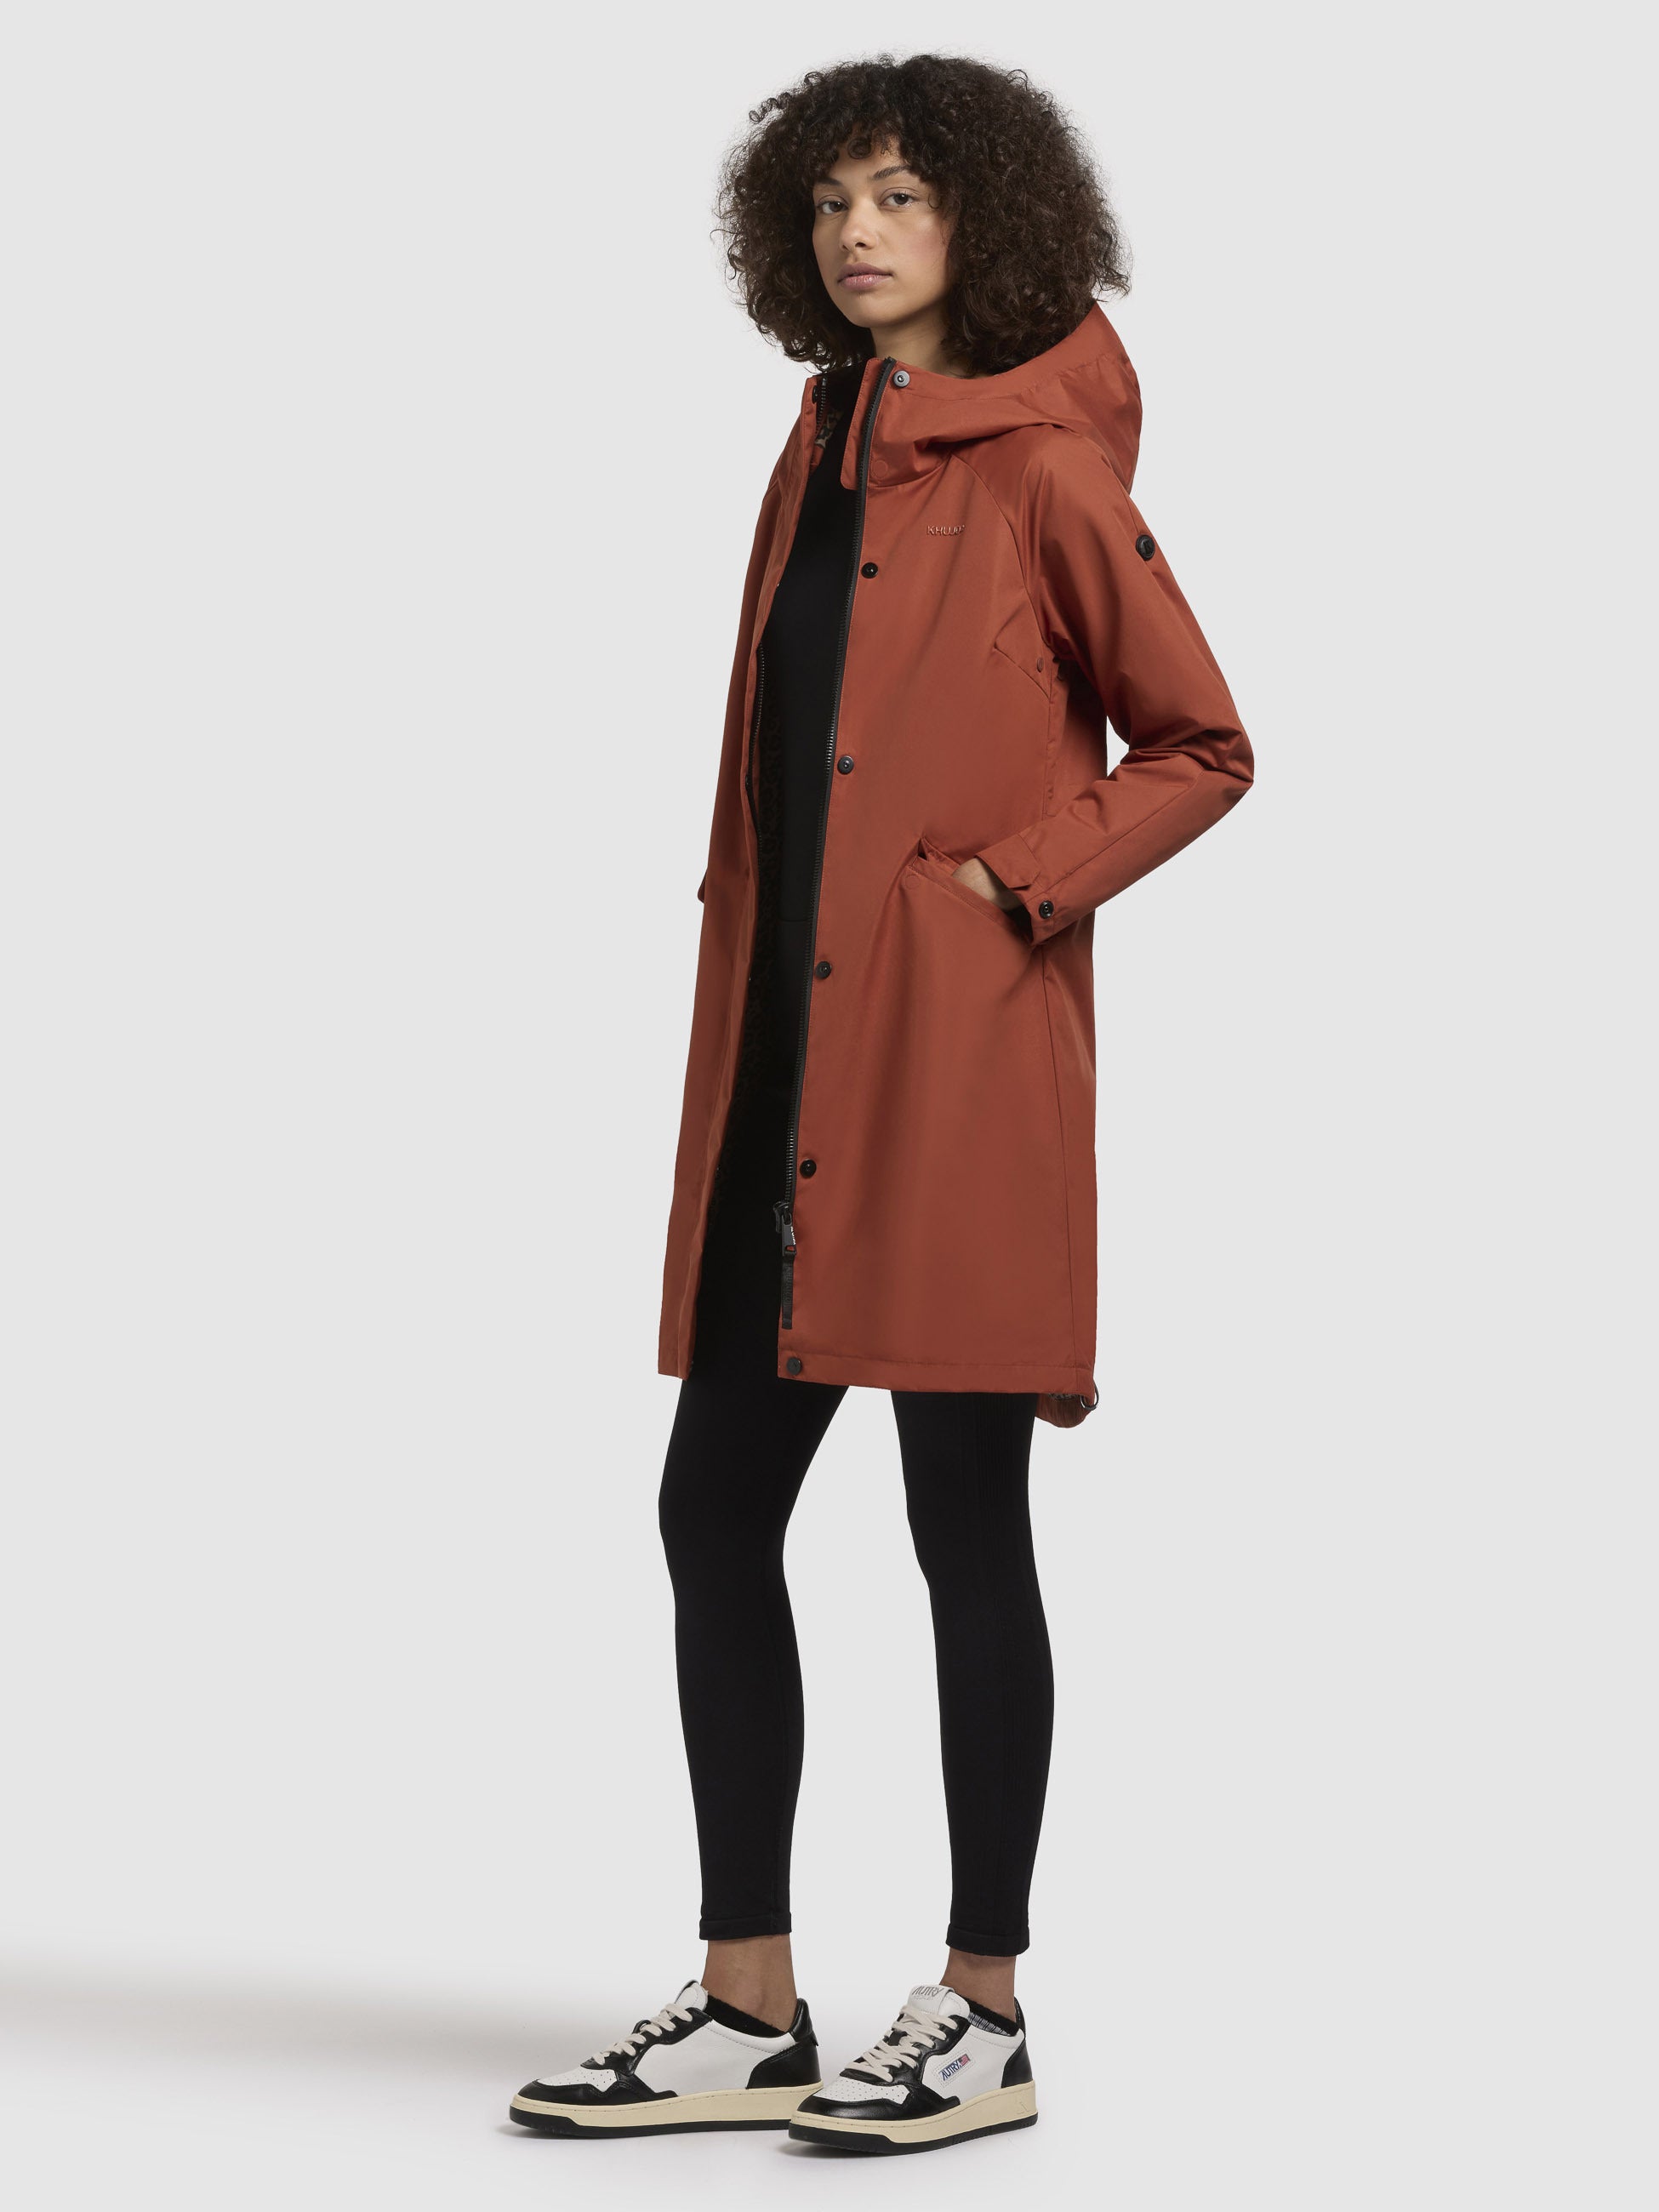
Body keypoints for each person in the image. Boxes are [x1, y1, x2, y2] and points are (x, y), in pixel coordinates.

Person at [510, 52, 1253, 2154]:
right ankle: (751, 2002)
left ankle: (982, 2009)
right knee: (711, 1507)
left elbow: (1202, 743)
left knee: (961, 1521)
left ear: (983, 223)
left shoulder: (1042, 474)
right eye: (833, 198)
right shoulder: (820, 449)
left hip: (953, 1066)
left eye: (903, 196)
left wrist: (1013, 885)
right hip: (782, 1060)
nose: (858, 231)